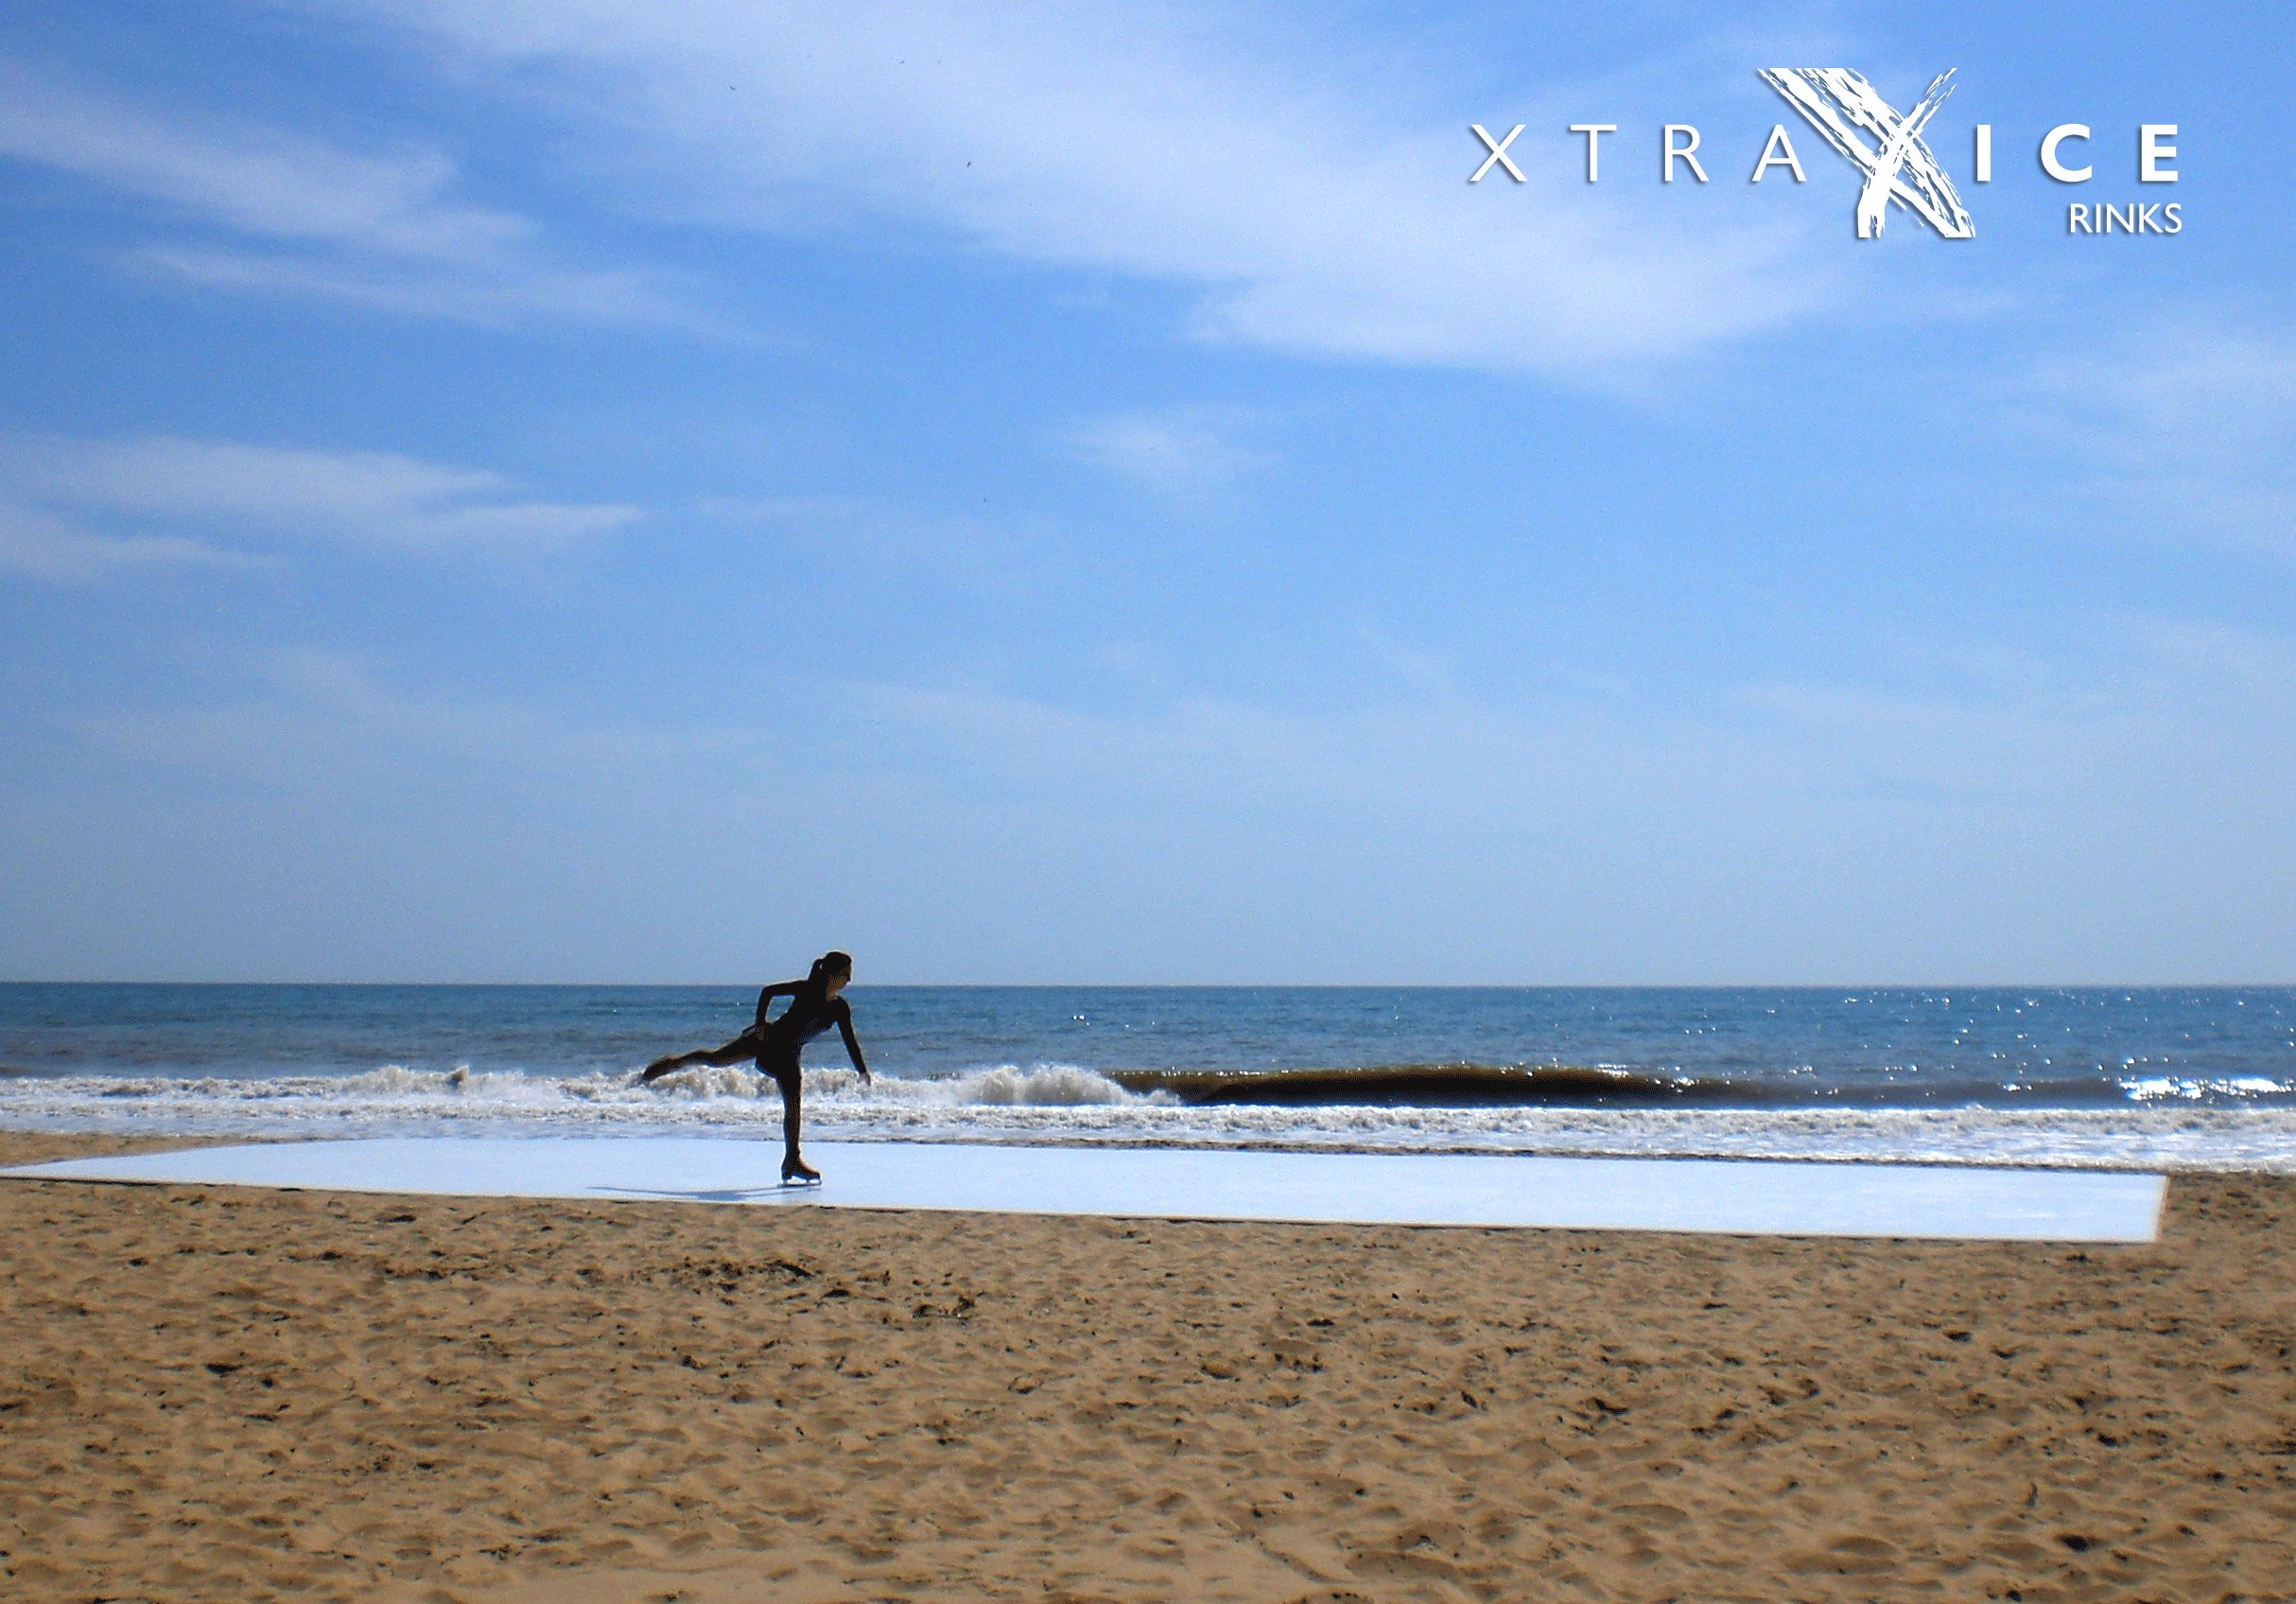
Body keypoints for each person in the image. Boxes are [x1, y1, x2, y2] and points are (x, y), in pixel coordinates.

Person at [642, 951, 870, 1183]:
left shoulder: (840, 1008)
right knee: (716, 1059)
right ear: (832, 974)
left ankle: (792, 1160)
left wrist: (861, 1070)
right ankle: (673, 1063)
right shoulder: (806, 989)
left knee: (794, 1107)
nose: (848, 981)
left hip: (790, 1055)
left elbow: (849, 1040)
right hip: (767, 1042)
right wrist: (760, 1023)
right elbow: (768, 991)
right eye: (846, 976)